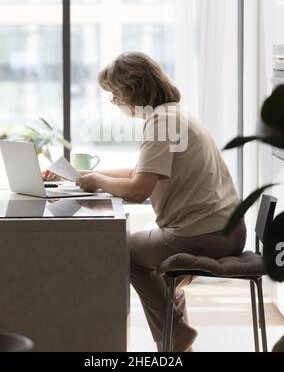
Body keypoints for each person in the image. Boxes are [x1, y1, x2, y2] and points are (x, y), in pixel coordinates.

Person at [46, 51, 246, 352]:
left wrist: (97, 181)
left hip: (204, 234)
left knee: (123, 251)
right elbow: (139, 172)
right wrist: (87, 174)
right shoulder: (173, 115)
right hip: (225, 229)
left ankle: (176, 333)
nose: (113, 101)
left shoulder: (162, 122)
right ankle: (176, 344)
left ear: (133, 89)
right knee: (158, 270)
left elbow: (138, 189)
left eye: (115, 94)